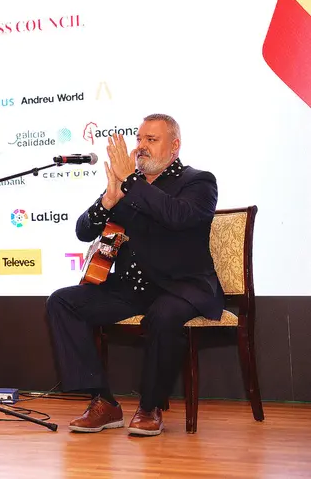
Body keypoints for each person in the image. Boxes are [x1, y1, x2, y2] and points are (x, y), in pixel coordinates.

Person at [45, 114, 221, 436]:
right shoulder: (126, 185)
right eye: (139, 139)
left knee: (164, 314)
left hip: (181, 287)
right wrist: (108, 200)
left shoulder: (199, 181)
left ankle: (150, 407)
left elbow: (176, 216)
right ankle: (104, 402)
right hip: (131, 287)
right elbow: (83, 231)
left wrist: (130, 183)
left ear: (174, 146)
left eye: (151, 140)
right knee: (62, 302)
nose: (140, 147)